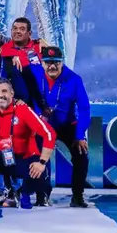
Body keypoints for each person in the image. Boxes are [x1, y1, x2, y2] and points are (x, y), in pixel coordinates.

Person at [0, 78, 56, 210]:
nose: (0, 95)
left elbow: (49, 134)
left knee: (37, 168)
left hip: (21, 159)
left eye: (4, 91)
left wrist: (42, 162)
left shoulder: (23, 110)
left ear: (12, 93)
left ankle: (24, 193)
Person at [31, 46, 91, 207]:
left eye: (56, 63)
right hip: (42, 125)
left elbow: (84, 108)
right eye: (48, 62)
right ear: (42, 63)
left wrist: (79, 135)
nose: (52, 66)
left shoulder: (74, 79)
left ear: (62, 63)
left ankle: (78, 195)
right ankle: (42, 195)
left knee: (81, 154)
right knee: (38, 155)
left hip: (66, 124)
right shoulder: (33, 73)